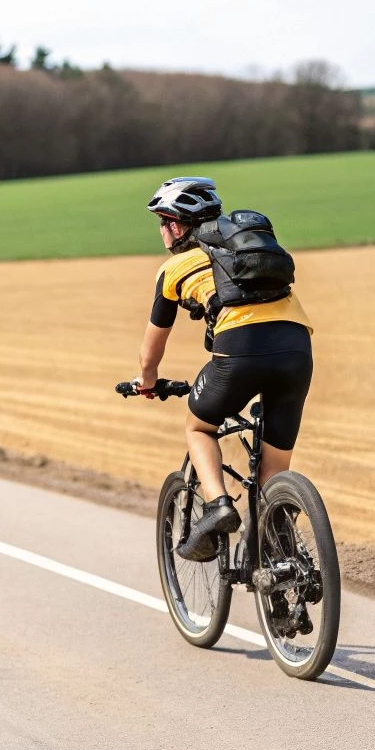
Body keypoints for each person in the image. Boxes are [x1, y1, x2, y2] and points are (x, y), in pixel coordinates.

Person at [135, 176, 314, 561]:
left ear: (178, 225)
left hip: (240, 349)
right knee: (273, 472)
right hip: (297, 347)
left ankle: (218, 506)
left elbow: (153, 347)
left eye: (165, 222)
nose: (163, 232)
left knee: (198, 425)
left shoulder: (174, 267)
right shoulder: (245, 250)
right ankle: (283, 561)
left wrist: (147, 381)